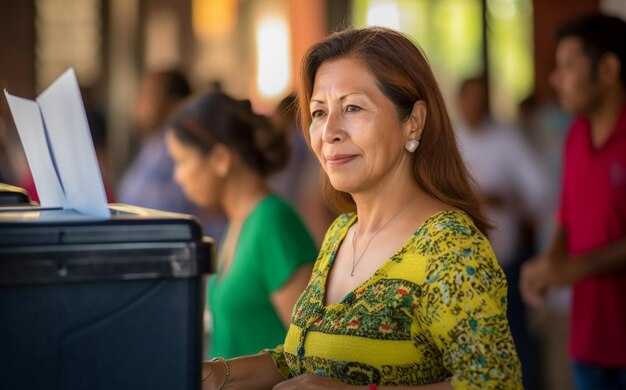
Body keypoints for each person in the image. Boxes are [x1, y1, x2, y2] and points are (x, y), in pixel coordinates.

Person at [200, 26, 522, 389]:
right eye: (319, 113)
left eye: (352, 107)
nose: (329, 131)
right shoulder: (341, 232)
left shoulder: (449, 246)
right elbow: (299, 361)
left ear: (413, 122)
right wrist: (217, 374)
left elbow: (495, 383)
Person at [166, 91, 317, 359]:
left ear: (220, 159)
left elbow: (310, 349)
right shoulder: (238, 221)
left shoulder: (272, 222)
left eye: (182, 161)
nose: (178, 177)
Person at [520, 13, 626, 389]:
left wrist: (576, 268)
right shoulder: (575, 135)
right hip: (587, 341)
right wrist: (550, 260)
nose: (554, 79)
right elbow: (567, 215)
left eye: (567, 66)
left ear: (609, 69)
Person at [454, 76, 547, 389]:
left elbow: (539, 189)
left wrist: (504, 201)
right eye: (469, 98)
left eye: (480, 98)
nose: (473, 105)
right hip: (459, 262)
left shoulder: (507, 141)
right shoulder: (450, 141)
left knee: (513, 333)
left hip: (504, 256)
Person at [117, 69, 225, 242]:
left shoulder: (192, 147)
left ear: (176, 103)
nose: (139, 103)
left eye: (149, 95)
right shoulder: (149, 146)